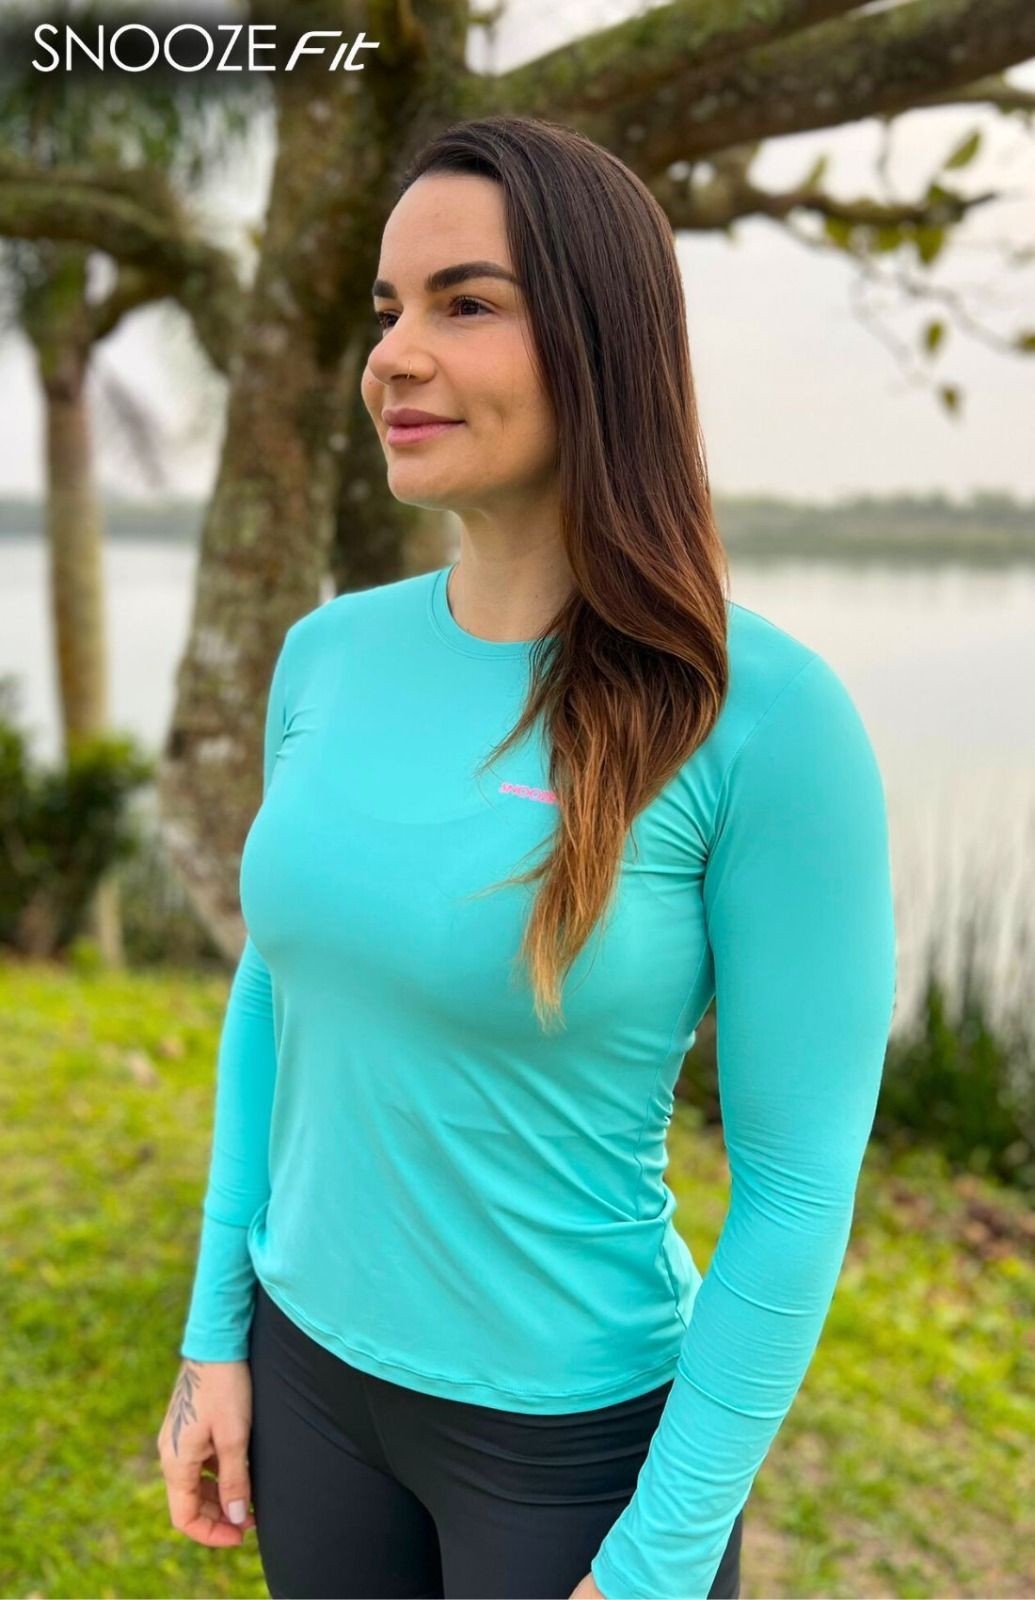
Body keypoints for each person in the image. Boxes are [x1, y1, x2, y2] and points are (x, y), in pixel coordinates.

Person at [157, 113, 897, 1600]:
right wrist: (215, 1332)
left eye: (466, 303)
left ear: (603, 343)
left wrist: (658, 1561)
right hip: (309, 1385)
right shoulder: (326, 656)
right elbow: (278, 995)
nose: (395, 355)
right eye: (389, 310)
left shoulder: (765, 720)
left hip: (569, 1456)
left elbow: (799, 1185)